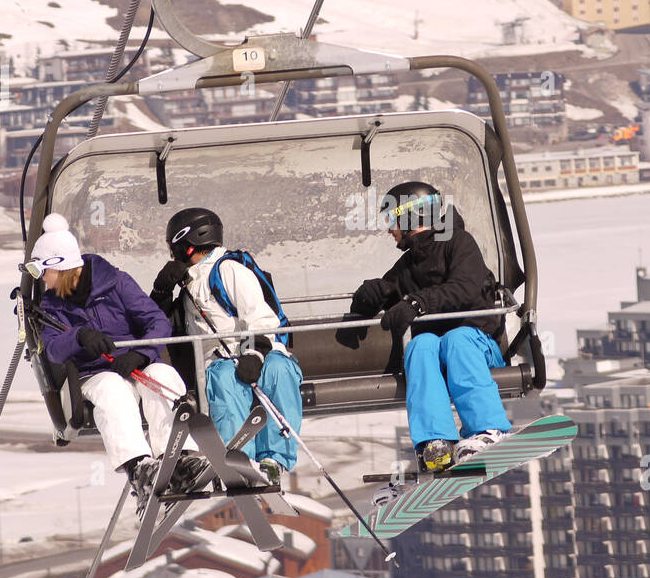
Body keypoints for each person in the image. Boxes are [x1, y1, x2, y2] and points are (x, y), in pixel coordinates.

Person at [28, 213, 206, 520]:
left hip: (133, 361)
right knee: (113, 391)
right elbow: (54, 349)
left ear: (59, 266)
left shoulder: (116, 283)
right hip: (93, 373)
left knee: (164, 375)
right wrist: (80, 337)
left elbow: (156, 321)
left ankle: (178, 457)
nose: (43, 279)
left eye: (44, 271)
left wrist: (140, 353)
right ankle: (140, 468)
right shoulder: (51, 305)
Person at [339, 181, 511, 476]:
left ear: (411, 217)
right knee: (420, 345)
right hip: (440, 354)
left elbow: (464, 288)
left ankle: (487, 429)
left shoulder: (459, 243)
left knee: (456, 338)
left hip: (478, 345)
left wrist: (417, 304)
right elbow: (391, 293)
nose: (389, 229)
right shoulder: (407, 265)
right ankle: (436, 441)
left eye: (392, 220)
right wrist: (368, 297)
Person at [150, 207, 303, 489]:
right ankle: (238, 458)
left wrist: (254, 354)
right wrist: (161, 291)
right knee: (223, 378)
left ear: (185, 242)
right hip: (217, 361)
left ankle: (274, 460)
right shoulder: (187, 282)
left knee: (279, 371)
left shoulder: (228, 269)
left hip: (259, 351)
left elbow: (261, 317)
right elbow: (157, 327)